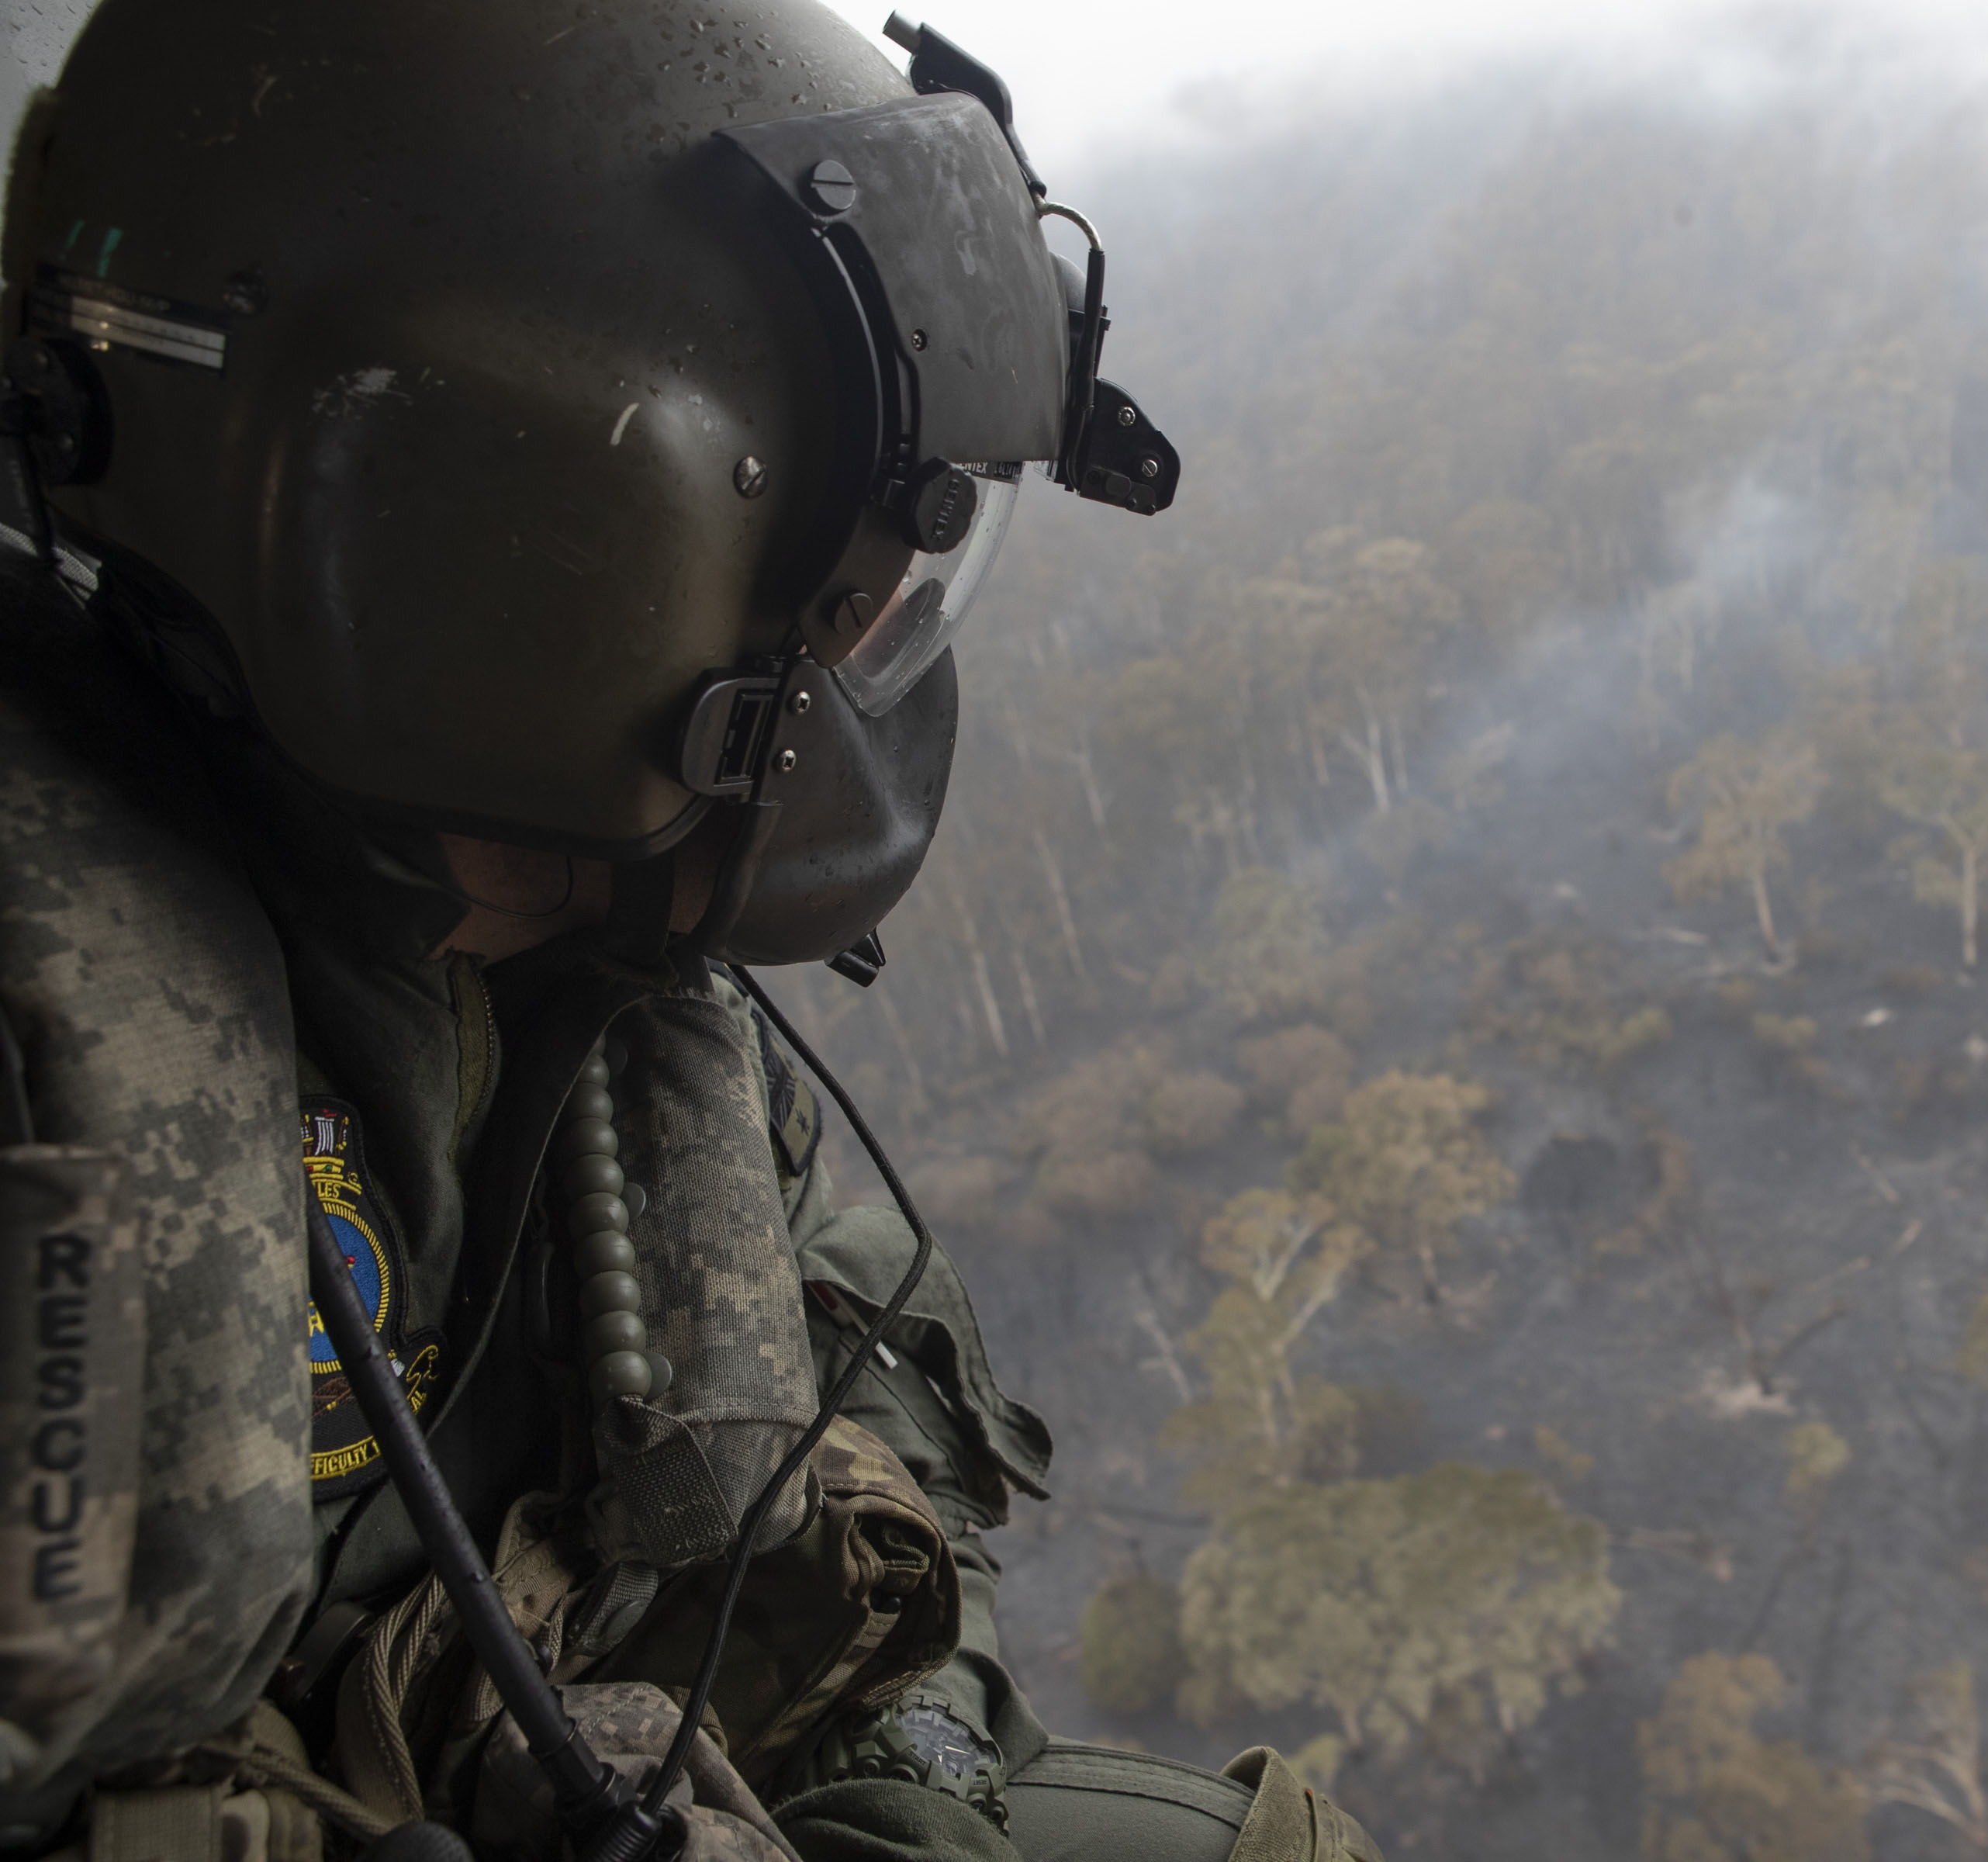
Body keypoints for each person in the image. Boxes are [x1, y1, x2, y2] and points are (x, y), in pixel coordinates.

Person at [0, 2, 1374, 1857]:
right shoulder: (60, 1075)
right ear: (528, 565)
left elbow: (865, 1534)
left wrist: (911, 1797)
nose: (878, 659)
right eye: (846, 593)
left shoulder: (607, 1001)